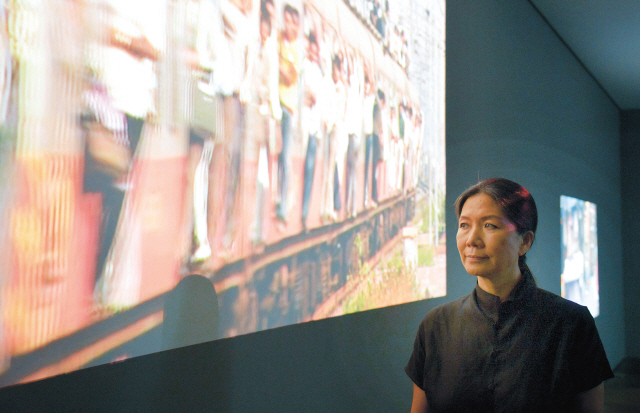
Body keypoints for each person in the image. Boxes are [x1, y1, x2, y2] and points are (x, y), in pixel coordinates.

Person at [406, 178, 613, 413]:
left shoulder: (571, 323)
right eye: (464, 225)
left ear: (525, 241)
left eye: (490, 226)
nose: (471, 240)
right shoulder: (435, 325)